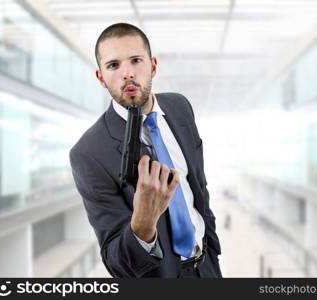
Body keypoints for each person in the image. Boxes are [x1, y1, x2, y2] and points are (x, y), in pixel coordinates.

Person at [69, 23, 222, 278]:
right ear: (101, 78)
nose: (127, 73)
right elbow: (116, 262)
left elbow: (198, 187)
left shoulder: (180, 107)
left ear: (152, 66)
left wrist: (213, 248)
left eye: (136, 60)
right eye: (113, 65)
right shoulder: (88, 154)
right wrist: (143, 223)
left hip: (207, 267)